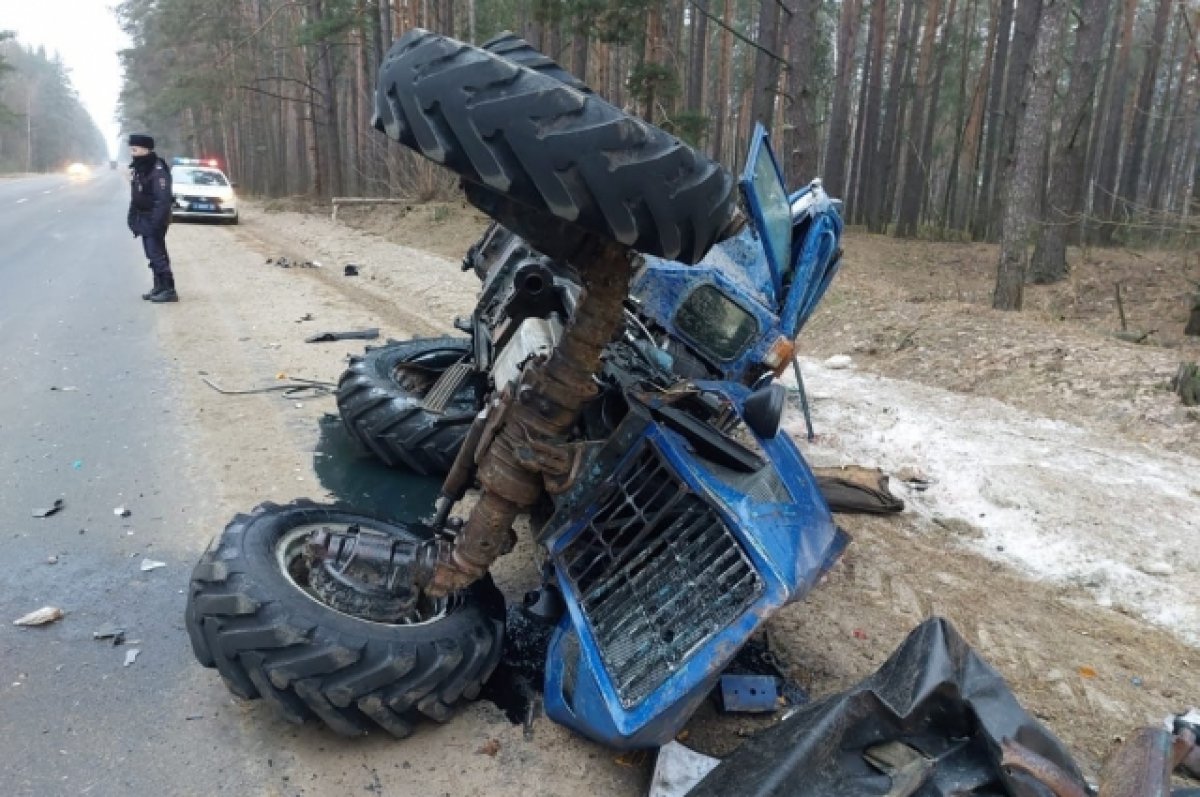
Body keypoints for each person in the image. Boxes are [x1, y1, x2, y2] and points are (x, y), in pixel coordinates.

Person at [127, 134, 177, 302]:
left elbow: (162, 200)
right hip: (143, 217)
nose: (131, 152)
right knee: (151, 253)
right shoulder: (140, 168)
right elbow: (136, 195)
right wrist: (132, 217)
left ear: (145, 149)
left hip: (154, 218)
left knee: (157, 254)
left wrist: (155, 224)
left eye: (135, 149)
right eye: (131, 148)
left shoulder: (157, 170)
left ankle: (169, 289)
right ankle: (159, 286)